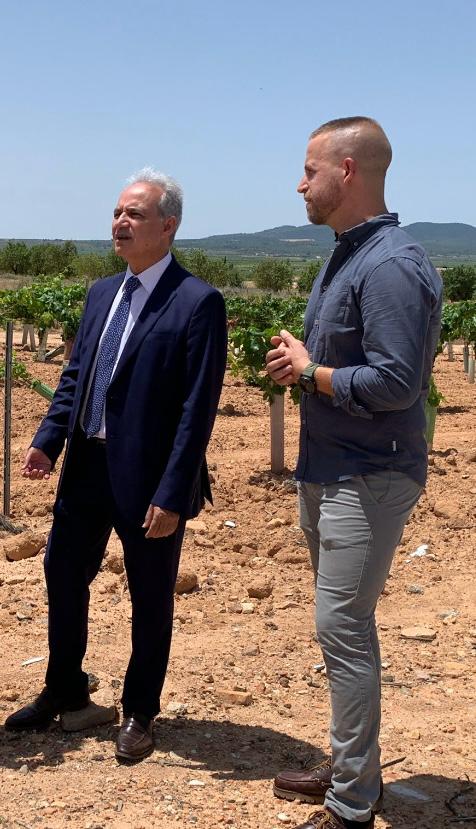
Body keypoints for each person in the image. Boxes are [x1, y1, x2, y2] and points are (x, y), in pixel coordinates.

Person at [5, 168, 228, 762]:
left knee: (150, 594)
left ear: (168, 225)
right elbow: (77, 375)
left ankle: (140, 710)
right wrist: (48, 440)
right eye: (117, 212)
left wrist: (173, 492)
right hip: (86, 467)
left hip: (150, 479)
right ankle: (64, 689)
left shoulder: (197, 302)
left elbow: (197, 409)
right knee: (61, 573)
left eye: (134, 214)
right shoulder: (103, 292)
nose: (120, 223)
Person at [266, 117, 442, 829]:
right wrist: (304, 365)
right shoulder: (349, 254)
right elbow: (345, 363)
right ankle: (349, 765)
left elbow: (398, 383)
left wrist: (314, 371)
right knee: (344, 628)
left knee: (342, 627)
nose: (300, 184)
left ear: (347, 170)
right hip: (332, 467)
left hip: (368, 474)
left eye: (310, 170)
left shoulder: (391, 264)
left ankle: (351, 804)